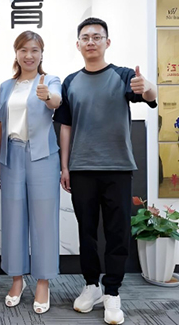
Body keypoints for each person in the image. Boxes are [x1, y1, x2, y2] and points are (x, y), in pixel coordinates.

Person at [56, 17, 157, 325]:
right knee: (86, 232)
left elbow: (150, 97)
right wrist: (64, 166)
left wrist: (147, 87)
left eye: (97, 37)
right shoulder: (70, 82)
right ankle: (91, 286)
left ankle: (112, 292)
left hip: (118, 167)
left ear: (107, 42)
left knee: (116, 232)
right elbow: (65, 127)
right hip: (81, 168)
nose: (91, 42)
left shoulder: (124, 76)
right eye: (85, 37)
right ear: (78, 44)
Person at [0, 31, 62, 314]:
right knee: (13, 220)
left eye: (34, 50)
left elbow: (56, 101)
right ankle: (17, 280)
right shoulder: (6, 86)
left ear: (42, 54)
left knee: (44, 221)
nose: (29, 55)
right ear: (16, 53)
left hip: (42, 156)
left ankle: (43, 282)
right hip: (11, 156)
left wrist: (47, 97)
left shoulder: (50, 80)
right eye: (23, 50)